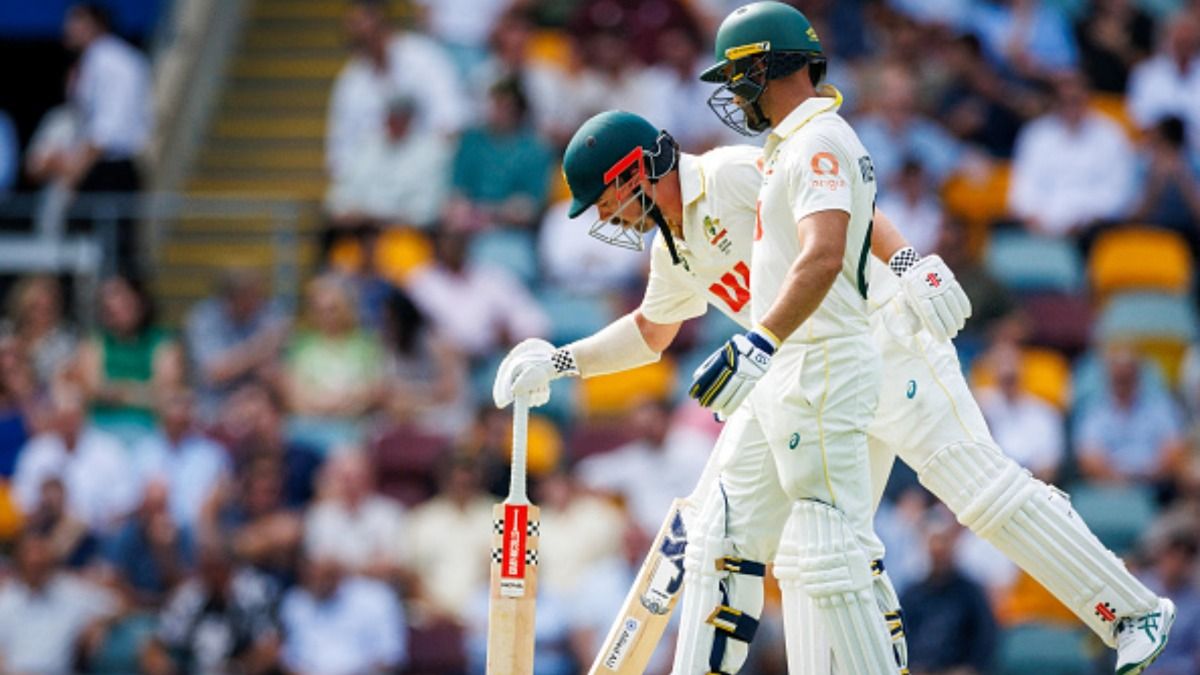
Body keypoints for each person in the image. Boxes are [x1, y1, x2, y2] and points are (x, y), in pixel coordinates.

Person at [495, 106, 1171, 675]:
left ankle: (1134, 611)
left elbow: (836, 212)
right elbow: (652, 331)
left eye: (606, 197)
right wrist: (560, 362)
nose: (607, 214)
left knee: (981, 491)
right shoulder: (673, 246)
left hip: (880, 340)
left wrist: (909, 261)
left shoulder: (729, 175)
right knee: (742, 543)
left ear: (635, 170)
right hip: (800, 379)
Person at [60, 2, 153, 270]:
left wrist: (74, 173)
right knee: (111, 248)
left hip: (109, 169)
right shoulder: (116, 59)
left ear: (94, 24)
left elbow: (105, 130)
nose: (66, 29)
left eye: (74, 21)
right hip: (111, 166)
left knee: (112, 250)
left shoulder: (105, 60)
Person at [326, 0, 466, 179]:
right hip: (370, 182)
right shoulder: (351, 81)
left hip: (423, 174)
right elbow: (340, 151)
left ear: (381, 25)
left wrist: (414, 167)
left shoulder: (425, 59)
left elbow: (450, 125)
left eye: (363, 37)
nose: (358, 44)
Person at [1007, 69, 1137, 238]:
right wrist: (1037, 219)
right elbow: (1024, 188)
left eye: (1075, 100)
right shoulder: (1035, 135)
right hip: (1041, 225)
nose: (1070, 107)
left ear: (1087, 98)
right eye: (1064, 101)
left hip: (1091, 227)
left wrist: (1083, 220)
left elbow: (1118, 193)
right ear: (1054, 101)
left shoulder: (1111, 136)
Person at [74, 274, 184, 446]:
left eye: (122, 301)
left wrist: (117, 391)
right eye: (108, 304)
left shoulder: (163, 342)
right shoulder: (95, 342)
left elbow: (167, 394)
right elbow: (90, 389)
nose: (114, 307)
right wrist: (143, 391)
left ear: (139, 301)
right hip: (100, 432)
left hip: (151, 432)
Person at [141, 540, 281, 675]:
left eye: (216, 569)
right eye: (205, 569)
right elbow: (155, 645)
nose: (210, 576)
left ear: (229, 567)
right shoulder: (191, 596)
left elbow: (271, 647)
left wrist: (238, 669)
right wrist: (163, 667)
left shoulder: (255, 591)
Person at [13, 385, 139, 533]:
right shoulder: (36, 452)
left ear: (83, 416)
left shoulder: (109, 450)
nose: (68, 424)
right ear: (54, 418)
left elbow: (126, 498)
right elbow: (22, 499)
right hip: (47, 529)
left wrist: (97, 519)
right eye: (63, 417)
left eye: (72, 417)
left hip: (97, 533)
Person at [0, 531, 122, 674]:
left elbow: (118, 605)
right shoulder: (6, 600)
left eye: (41, 563)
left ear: (52, 563)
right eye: (31, 564)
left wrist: (98, 624)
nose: (35, 566)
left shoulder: (73, 592)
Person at [184, 269, 289, 420]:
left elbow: (273, 367)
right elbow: (215, 371)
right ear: (232, 298)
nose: (260, 301)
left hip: (258, 398)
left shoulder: (266, 314)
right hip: (214, 404)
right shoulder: (204, 318)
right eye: (251, 295)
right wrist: (260, 349)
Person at [278, 555, 408, 675]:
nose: (319, 580)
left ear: (340, 572)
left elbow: (391, 657)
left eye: (327, 575)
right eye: (312, 574)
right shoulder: (294, 601)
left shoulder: (376, 597)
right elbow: (286, 658)